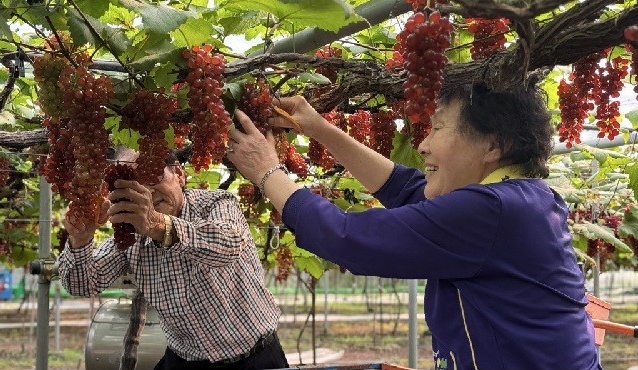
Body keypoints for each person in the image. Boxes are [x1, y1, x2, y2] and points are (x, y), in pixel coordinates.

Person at [226, 84, 600, 370]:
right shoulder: (518, 201)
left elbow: (347, 239)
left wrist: (266, 171)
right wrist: (320, 128)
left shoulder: (493, 210)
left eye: (438, 128)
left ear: (493, 146)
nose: (422, 144)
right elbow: (407, 190)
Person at [57, 145, 289, 370]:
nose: (146, 192)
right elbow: (82, 284)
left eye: (152, 177)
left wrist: (156, 225)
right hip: (184, 361)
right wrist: (80, 240)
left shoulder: (216, 203)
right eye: (132, 186)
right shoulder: (131, 233)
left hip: (256, 358)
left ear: (178, 174)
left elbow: (228, 244)